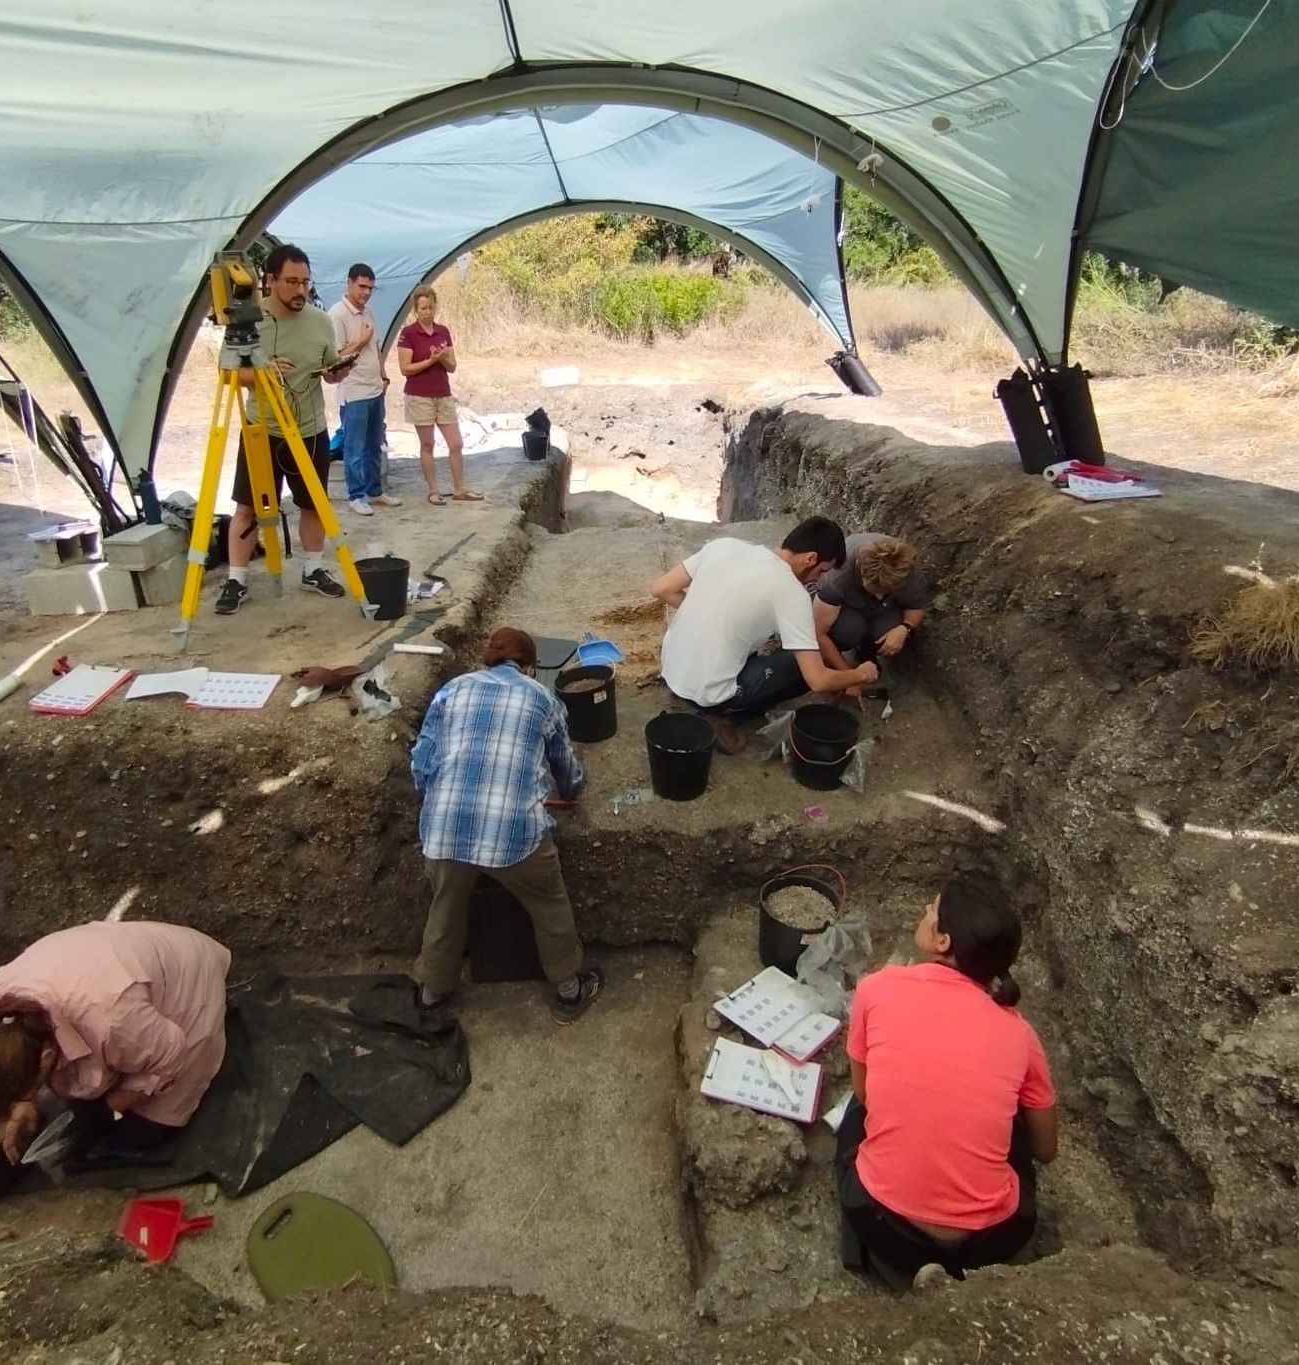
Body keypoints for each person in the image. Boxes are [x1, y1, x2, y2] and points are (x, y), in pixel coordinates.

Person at [836, 874, 1058, 1283]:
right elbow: (1045, 1150)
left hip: (881, 1222)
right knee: (1012, 1119)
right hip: (994, 1239)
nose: (925, 911)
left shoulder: (878, 988)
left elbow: (867, 1095)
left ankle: (877, 1255)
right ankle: (958, 1267)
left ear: (944, 942)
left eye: (933, 909)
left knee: (855, 1111)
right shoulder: (1019, 1033)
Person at [410, 626, 603, 1023]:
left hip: (444, 831)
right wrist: (573, 789)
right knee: (548, 903)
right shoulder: (542, 698)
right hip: (515, 835)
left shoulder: (453, 690)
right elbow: (565, 771)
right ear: (529, 667)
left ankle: (431, 995)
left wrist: (442, 798)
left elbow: (421, 763)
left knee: (445, 907)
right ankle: (569, 992)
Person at [0, 921, 233, 1164]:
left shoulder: (111, 1020)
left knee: (143, 1133)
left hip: (187, 978)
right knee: (82, 1096)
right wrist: (22, 1107)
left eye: (29, 1090)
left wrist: (109, 1108)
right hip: (109, 974)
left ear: (44, 1058)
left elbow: (172, 1054)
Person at [215, 243, 368, 615]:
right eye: (291, 282)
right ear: (269, 281)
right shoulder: (248, 322)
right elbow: (228, 374)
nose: (300, 290)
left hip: (310, 428)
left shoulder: (320, 321)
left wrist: (339, 370)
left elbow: (329, 369)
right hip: (262, 430)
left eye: (305, 282)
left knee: (313, 504)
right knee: (247, 507)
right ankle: (237, 579)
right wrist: (260, 374)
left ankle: (312, 569)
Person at [651, 517, 879, 751]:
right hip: (708, 693)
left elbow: (661, 588)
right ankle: (721, 715)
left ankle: (706, 694)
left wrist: (709, 614)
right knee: (808, 664)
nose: (819, 579)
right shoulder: (791, 593)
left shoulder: (724, 546)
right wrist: (859, 675)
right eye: (822, 571)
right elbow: (818, 680)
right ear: (810, 558)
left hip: (672, 669)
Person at [813, 533, 932, 698]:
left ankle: (864, 650)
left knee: (889, 632)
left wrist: (905, 628)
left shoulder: (908, 572)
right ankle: (834, 659)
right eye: (875, 590)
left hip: (883, 610)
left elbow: (917, 607)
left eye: (885, 591)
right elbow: (819, 632)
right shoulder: (838, 576)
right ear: (862, 575)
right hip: (845, 608)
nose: (879, 596)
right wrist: (848, 678)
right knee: (848, 630)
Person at [396, 286, 478, 505]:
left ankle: (460, 488)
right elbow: (405, 368)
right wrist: (431, 361)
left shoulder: (443, 331)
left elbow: (452, 366)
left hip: (443, 393)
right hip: (419, 395)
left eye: (431, 307)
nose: (427, 312)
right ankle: (433, 490)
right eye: (423, 308)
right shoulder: (408, 333)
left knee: (456, 443)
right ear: (416, 310)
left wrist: (441, 358)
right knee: (427, 444)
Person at [328, 263, 397, 516]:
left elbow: (376, 347)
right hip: (353, 391)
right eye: (362, 286)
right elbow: (334, 358)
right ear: (349, 283)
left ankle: (375, 491)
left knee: (374, 444)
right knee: (354, 449)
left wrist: (383, 376)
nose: (366, 292)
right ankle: (355, 496)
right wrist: (359, 341)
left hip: (374, 389)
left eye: (370, 287)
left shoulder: (368, 312)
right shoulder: (337, 315)